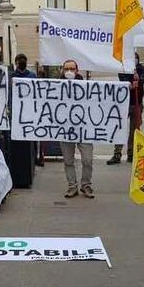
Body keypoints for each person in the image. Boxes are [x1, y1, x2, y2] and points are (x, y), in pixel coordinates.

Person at [59, 59, 94, 199]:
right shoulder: (55, 86)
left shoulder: (87, 86)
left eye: (72, 69)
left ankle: (86, 185)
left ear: (77, 70)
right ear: (62, 70)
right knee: (68, 161)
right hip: (65, 129)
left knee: (87, 160)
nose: (69, 71)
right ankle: (72, 187)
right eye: (66, 69)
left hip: (84, 129)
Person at [107, 53, 144, 165]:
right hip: (124, 103)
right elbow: (123, 80)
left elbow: (143, 78)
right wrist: (131, 80)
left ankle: (131, 153)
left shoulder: (142, 69)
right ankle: (117, 153)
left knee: (134, 130)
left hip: (136, 104)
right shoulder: (123, 69)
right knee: (120, 128)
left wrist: (138, 78)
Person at [10, 54, 44, 167]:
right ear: (16, 62)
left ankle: (35, 158)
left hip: (30, 110)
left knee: (32, 137)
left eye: (23, 60)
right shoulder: (12, 76)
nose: (22, 62)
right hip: (16, 111)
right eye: (20, 60)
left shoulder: (32, 76)